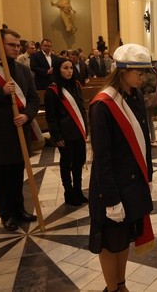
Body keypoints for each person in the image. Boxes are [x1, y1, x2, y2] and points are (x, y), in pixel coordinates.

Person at [88, 43, 155, 292]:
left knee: (124, 238)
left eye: (145, 72)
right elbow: (102, 159)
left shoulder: (135, 96)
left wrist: (147, 175)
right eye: (139, 72)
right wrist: (111, 200)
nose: (144, 77)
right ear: (122, 71)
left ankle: (121, 284)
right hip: (111, 187)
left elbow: (143, 142)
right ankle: (111, 289)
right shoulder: (103, 105)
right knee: (110, 243)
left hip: (131, 183)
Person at [0, 28, 39, 231]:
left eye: (17, 45)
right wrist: (0, 92)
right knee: (1, 179)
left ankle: (19, 209)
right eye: (11, 45)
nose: (16, 48)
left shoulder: (22, 69)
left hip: (19, 132)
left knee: (16, 175)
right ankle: (6, 214)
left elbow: (33, 98)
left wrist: (27, 115)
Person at [44, 58, 88, 206]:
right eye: (65, 68)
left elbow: (81, 108)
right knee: (66, 164)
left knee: (78, 162)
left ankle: (78, 191)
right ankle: (69, 193)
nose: (69, 71)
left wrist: (86, 127)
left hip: (78, 132)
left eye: (70, 68)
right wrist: (56, 136)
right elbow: (51, 117)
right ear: (58, 70)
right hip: (65, 134)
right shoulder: (52, 91)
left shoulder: (76, 85)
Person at [141, 65, 157, 147]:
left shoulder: (148, 76)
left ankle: (149, 138)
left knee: (147, 119)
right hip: (153, 98)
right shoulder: (154, 74)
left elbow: (142, 85)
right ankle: (153, 138)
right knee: (149, 120)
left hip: (148, 99)